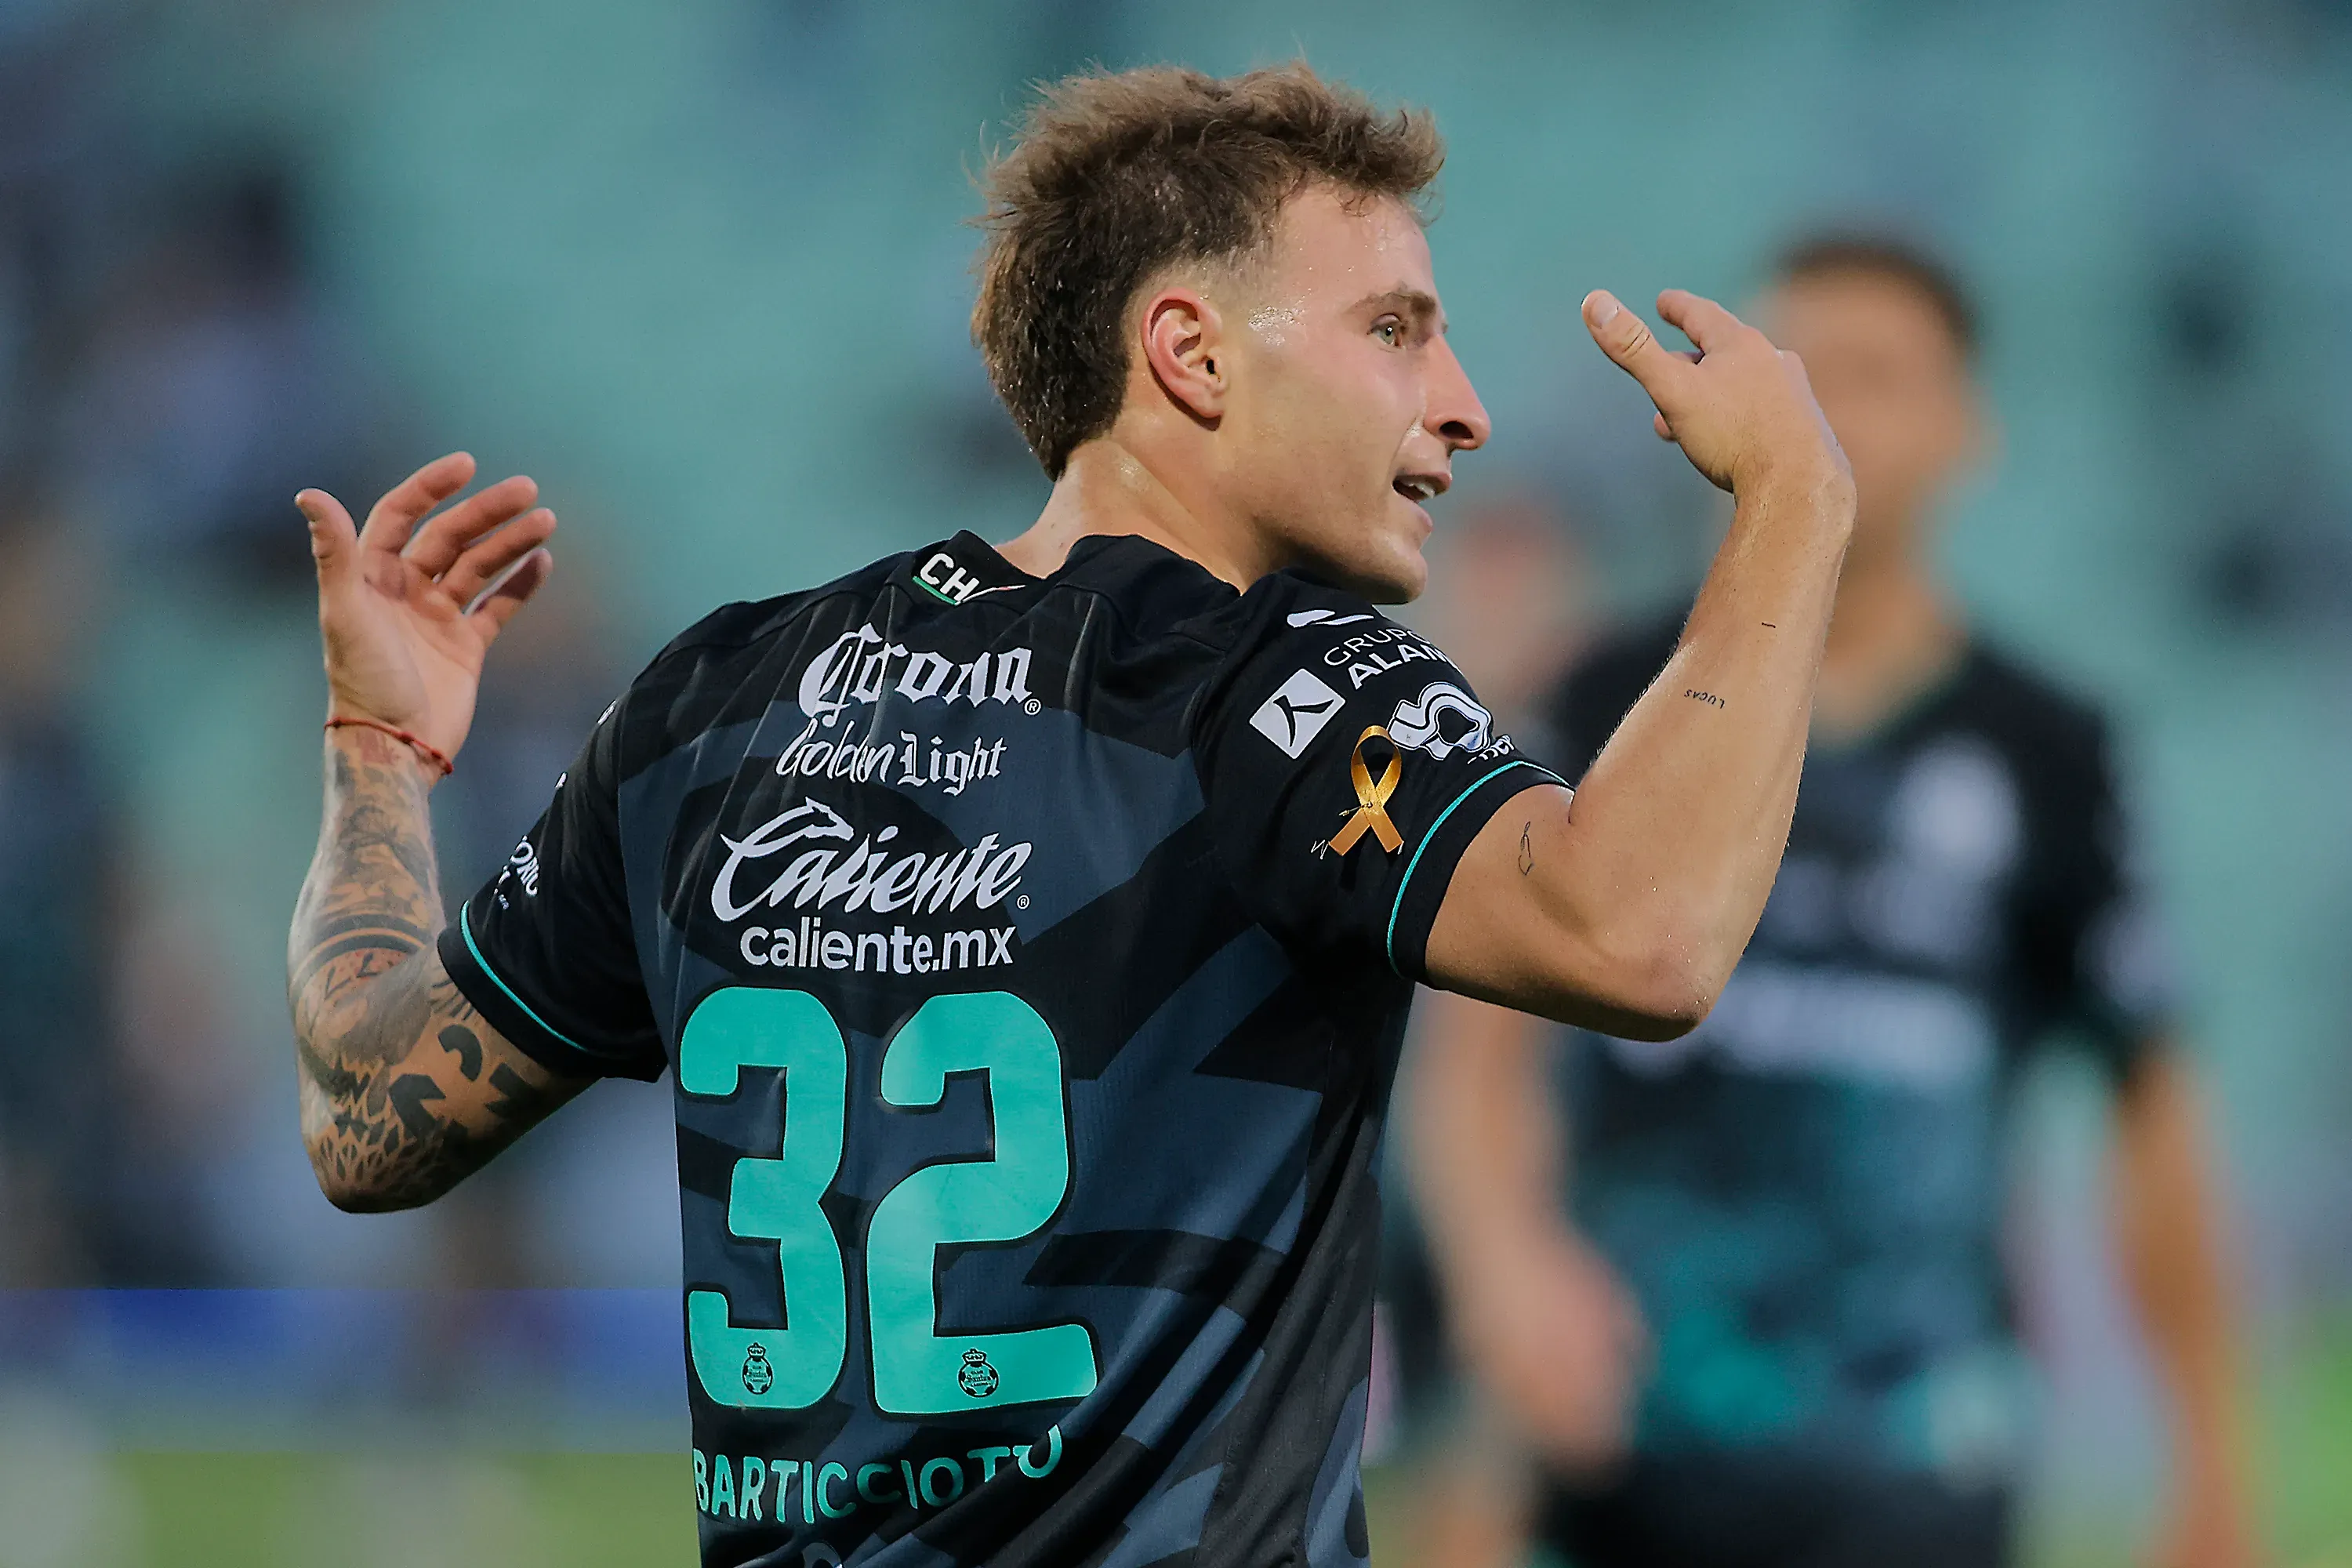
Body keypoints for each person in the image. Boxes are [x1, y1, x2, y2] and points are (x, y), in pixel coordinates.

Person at [283, 65, 1855, 1566]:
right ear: (1192, 352)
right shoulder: (1271, 685)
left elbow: (365, 1110)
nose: (1462, 407)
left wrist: (376, 748)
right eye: (1396, 328)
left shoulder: (715, 698)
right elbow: (1642, 933)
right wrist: (1793, 506)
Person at [1413, 237, 2253, 1568]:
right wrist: (1505, 1266)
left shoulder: (2051, 752)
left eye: (1875, 377)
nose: (1828, 415)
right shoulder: (1604, 697)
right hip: (1618, 1462)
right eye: (1799, 375)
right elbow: (1482, 1052)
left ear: (1966, 428)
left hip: (1917, 1473)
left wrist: (2210, 1457)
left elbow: (2153, 1111)